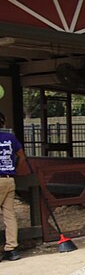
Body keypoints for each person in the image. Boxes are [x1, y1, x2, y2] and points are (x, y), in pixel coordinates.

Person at [0, 111, 27, 261]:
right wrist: (15, 169)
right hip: (9, 179)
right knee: (9, 215)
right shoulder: (10, 138)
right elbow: (21, 156)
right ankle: (12, 249)